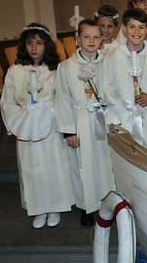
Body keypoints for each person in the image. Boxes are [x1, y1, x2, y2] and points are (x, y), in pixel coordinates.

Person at [0, 23, 74, 229]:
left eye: (39, 43)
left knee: (53, 166)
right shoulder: (15, 71)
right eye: (30, 43)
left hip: (50, 124)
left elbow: (63, 98)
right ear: (24, 46)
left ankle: (55, 206)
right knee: (32, 168)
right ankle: (39, 207)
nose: (34, 47)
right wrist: (20, 119)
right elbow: (8, 101)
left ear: (46, 46)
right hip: (28, 125)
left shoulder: (56, 70)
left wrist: (52, 115)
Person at [56, 19, 115, 227]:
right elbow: (62, 99)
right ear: (77, 39)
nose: (91, 40)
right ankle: (86, 207)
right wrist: (68, 131)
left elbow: (113, 90)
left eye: (96, 37)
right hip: (79, 121)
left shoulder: (108, 62)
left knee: (105, 163)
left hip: (103, 119)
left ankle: (108, 204)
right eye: (86, 36)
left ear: (102, 40)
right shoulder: (66, 67)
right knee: (83, 166)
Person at [101, 8, 147, 156]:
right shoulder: (112, 57)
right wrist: (126, 111)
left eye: (141, 27)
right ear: (124, 29)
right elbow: (107, 89)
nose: (136, 31)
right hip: (124, 120)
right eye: (132, 26)